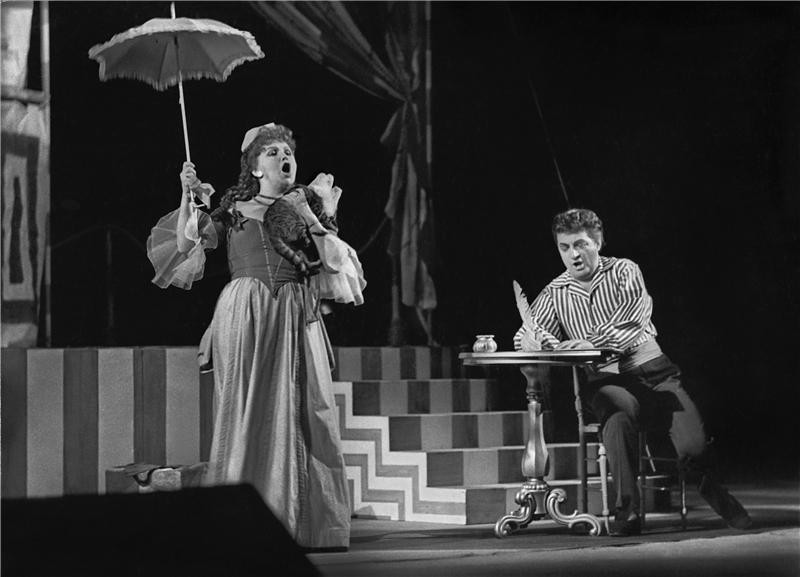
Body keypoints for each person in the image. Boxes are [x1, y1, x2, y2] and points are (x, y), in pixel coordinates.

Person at [147, 123, 365, 551]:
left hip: (296, 313)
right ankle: (245, 518)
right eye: (273, 152)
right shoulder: (232, 211)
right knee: (248, 410)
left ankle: (313, 525)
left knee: (311, 411)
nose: (285, 157)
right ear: (255, 167)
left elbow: (335, 264)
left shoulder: (306, 207)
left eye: (288, 151)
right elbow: (186, 245)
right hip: (248, 313)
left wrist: (316, 215)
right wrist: (187, 195)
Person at [514, 208, 751, 536]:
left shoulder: (624, 270)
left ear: (598, 242)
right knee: (617, 417)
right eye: (564, 248)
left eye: (581, 245)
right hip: (607, 381)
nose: (573, 255)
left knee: (694, 448)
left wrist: (588, 342)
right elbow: (528, 332)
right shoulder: (555, 292)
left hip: (655, 373)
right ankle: (627, 513)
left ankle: (716, 494)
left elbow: (631, 321)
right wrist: (534, 340)